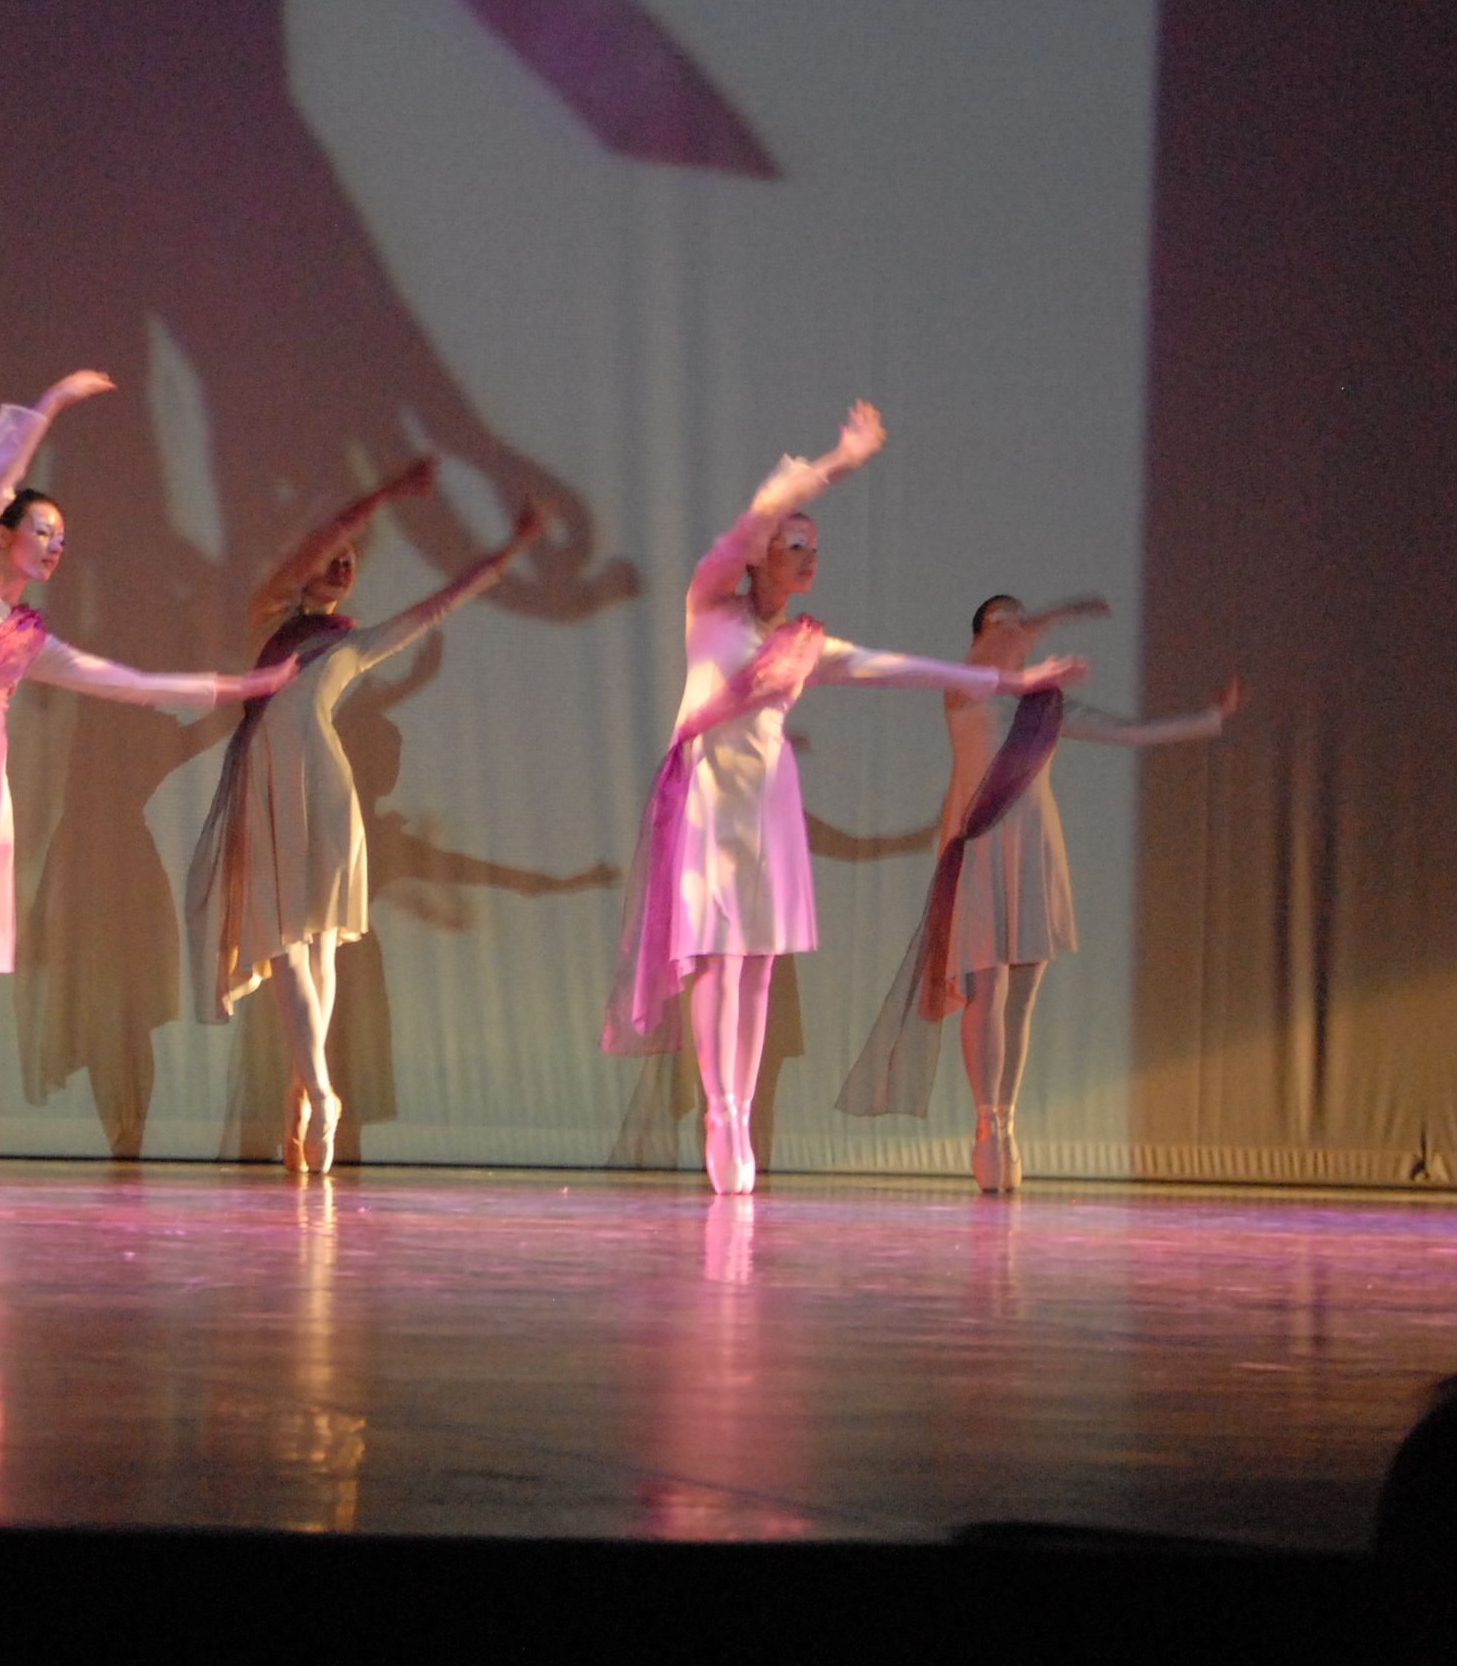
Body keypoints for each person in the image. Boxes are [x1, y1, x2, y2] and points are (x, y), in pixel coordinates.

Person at [602, 402, 1084, 1195]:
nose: (807, 557)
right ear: (759, 554)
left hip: (769, 807)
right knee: (718, 959)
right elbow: (752, 517)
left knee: (758, 965)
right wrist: (838, 462)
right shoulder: (710, 602)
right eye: (793, 544)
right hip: (712, 803)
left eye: (815, 548)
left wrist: (1010, 681)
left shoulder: (803, 645)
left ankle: (740, 1107)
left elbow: (898, 669)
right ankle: (720, 1113)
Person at [0, 372, 297, 1183]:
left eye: (62, 539)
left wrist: (236, 687)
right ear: (3, 531)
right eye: (41, 529)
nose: (53, 545)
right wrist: (46, 410)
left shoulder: (25, 640)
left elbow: (130, 683)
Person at [184, 456, 544, 1173]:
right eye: (335, 555)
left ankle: (313, 1089)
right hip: (266, 780)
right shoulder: (269, 612)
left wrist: (506, 556)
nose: (345, 565)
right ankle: (317, 1090)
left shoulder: (351, 643)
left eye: (353, 561)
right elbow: (316, 543)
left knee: (317, 942)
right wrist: (384, 495)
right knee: (283, 935)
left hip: (322, 785)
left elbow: (436, 605)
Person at [835, 595, 1236, 1189]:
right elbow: (993, 653)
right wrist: (1052, 616)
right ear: (981, 635)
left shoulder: (1044, 704)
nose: (1013, 626)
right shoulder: (966, 686)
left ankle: (1006, 1121)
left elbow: (1128, 732)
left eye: (1018, 618)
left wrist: (1209, 718)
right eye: (1002, 619)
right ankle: (984, 1126)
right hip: (982, 844)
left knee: (1019, 997)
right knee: (986, 989)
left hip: (1033, 849)